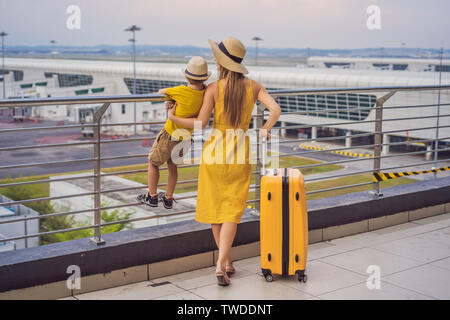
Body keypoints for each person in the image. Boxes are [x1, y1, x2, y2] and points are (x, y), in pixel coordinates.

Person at [168, 37, 281, 285]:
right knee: (231, 210)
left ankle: (224, 262)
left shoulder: (213, 89)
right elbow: (276, 110)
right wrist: (265, 129)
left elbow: (199, 124)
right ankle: (224, 262)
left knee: (215, 211)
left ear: (220, 63)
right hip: (241, 150)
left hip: (215, 151)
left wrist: (173, 118)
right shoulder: (253, 86)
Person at [137, 56, 211, 209]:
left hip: (169, 135)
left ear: (186, 76)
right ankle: (169, 198)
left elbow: (161, 91)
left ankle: (152, 196)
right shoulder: (205, 93)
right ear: (204, 78)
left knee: (153, 163)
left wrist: (171, 100)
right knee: (172, 167)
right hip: (185, 139)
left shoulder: (180, 90)